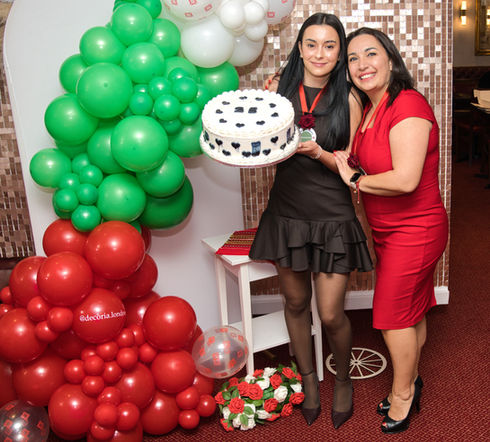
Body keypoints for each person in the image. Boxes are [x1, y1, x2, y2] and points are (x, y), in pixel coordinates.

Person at [249, 13, 373, 428]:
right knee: (296, 303)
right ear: (299, 47)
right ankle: (309, 382)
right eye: (312, 44)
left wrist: (318, 152)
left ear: (339, 55)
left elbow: (353, 163)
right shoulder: (277, 92)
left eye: (330, 46)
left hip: (334, 214)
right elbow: (259, 148)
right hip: (288, 212)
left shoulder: (351, 99)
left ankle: (342, 379)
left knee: (333, 312)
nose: (320, 54)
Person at [334, 28, 449, 434]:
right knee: (409, 310)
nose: (363, 64)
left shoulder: (408, 104)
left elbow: (405, 180)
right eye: (353, 58)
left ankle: (404, 393)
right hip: (388, 230)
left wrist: (355, 181)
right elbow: (354, 157)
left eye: (371, 54)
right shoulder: (371, 107)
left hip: (416, 229)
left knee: (389, 316)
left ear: (390, 59)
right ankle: (410, 380)